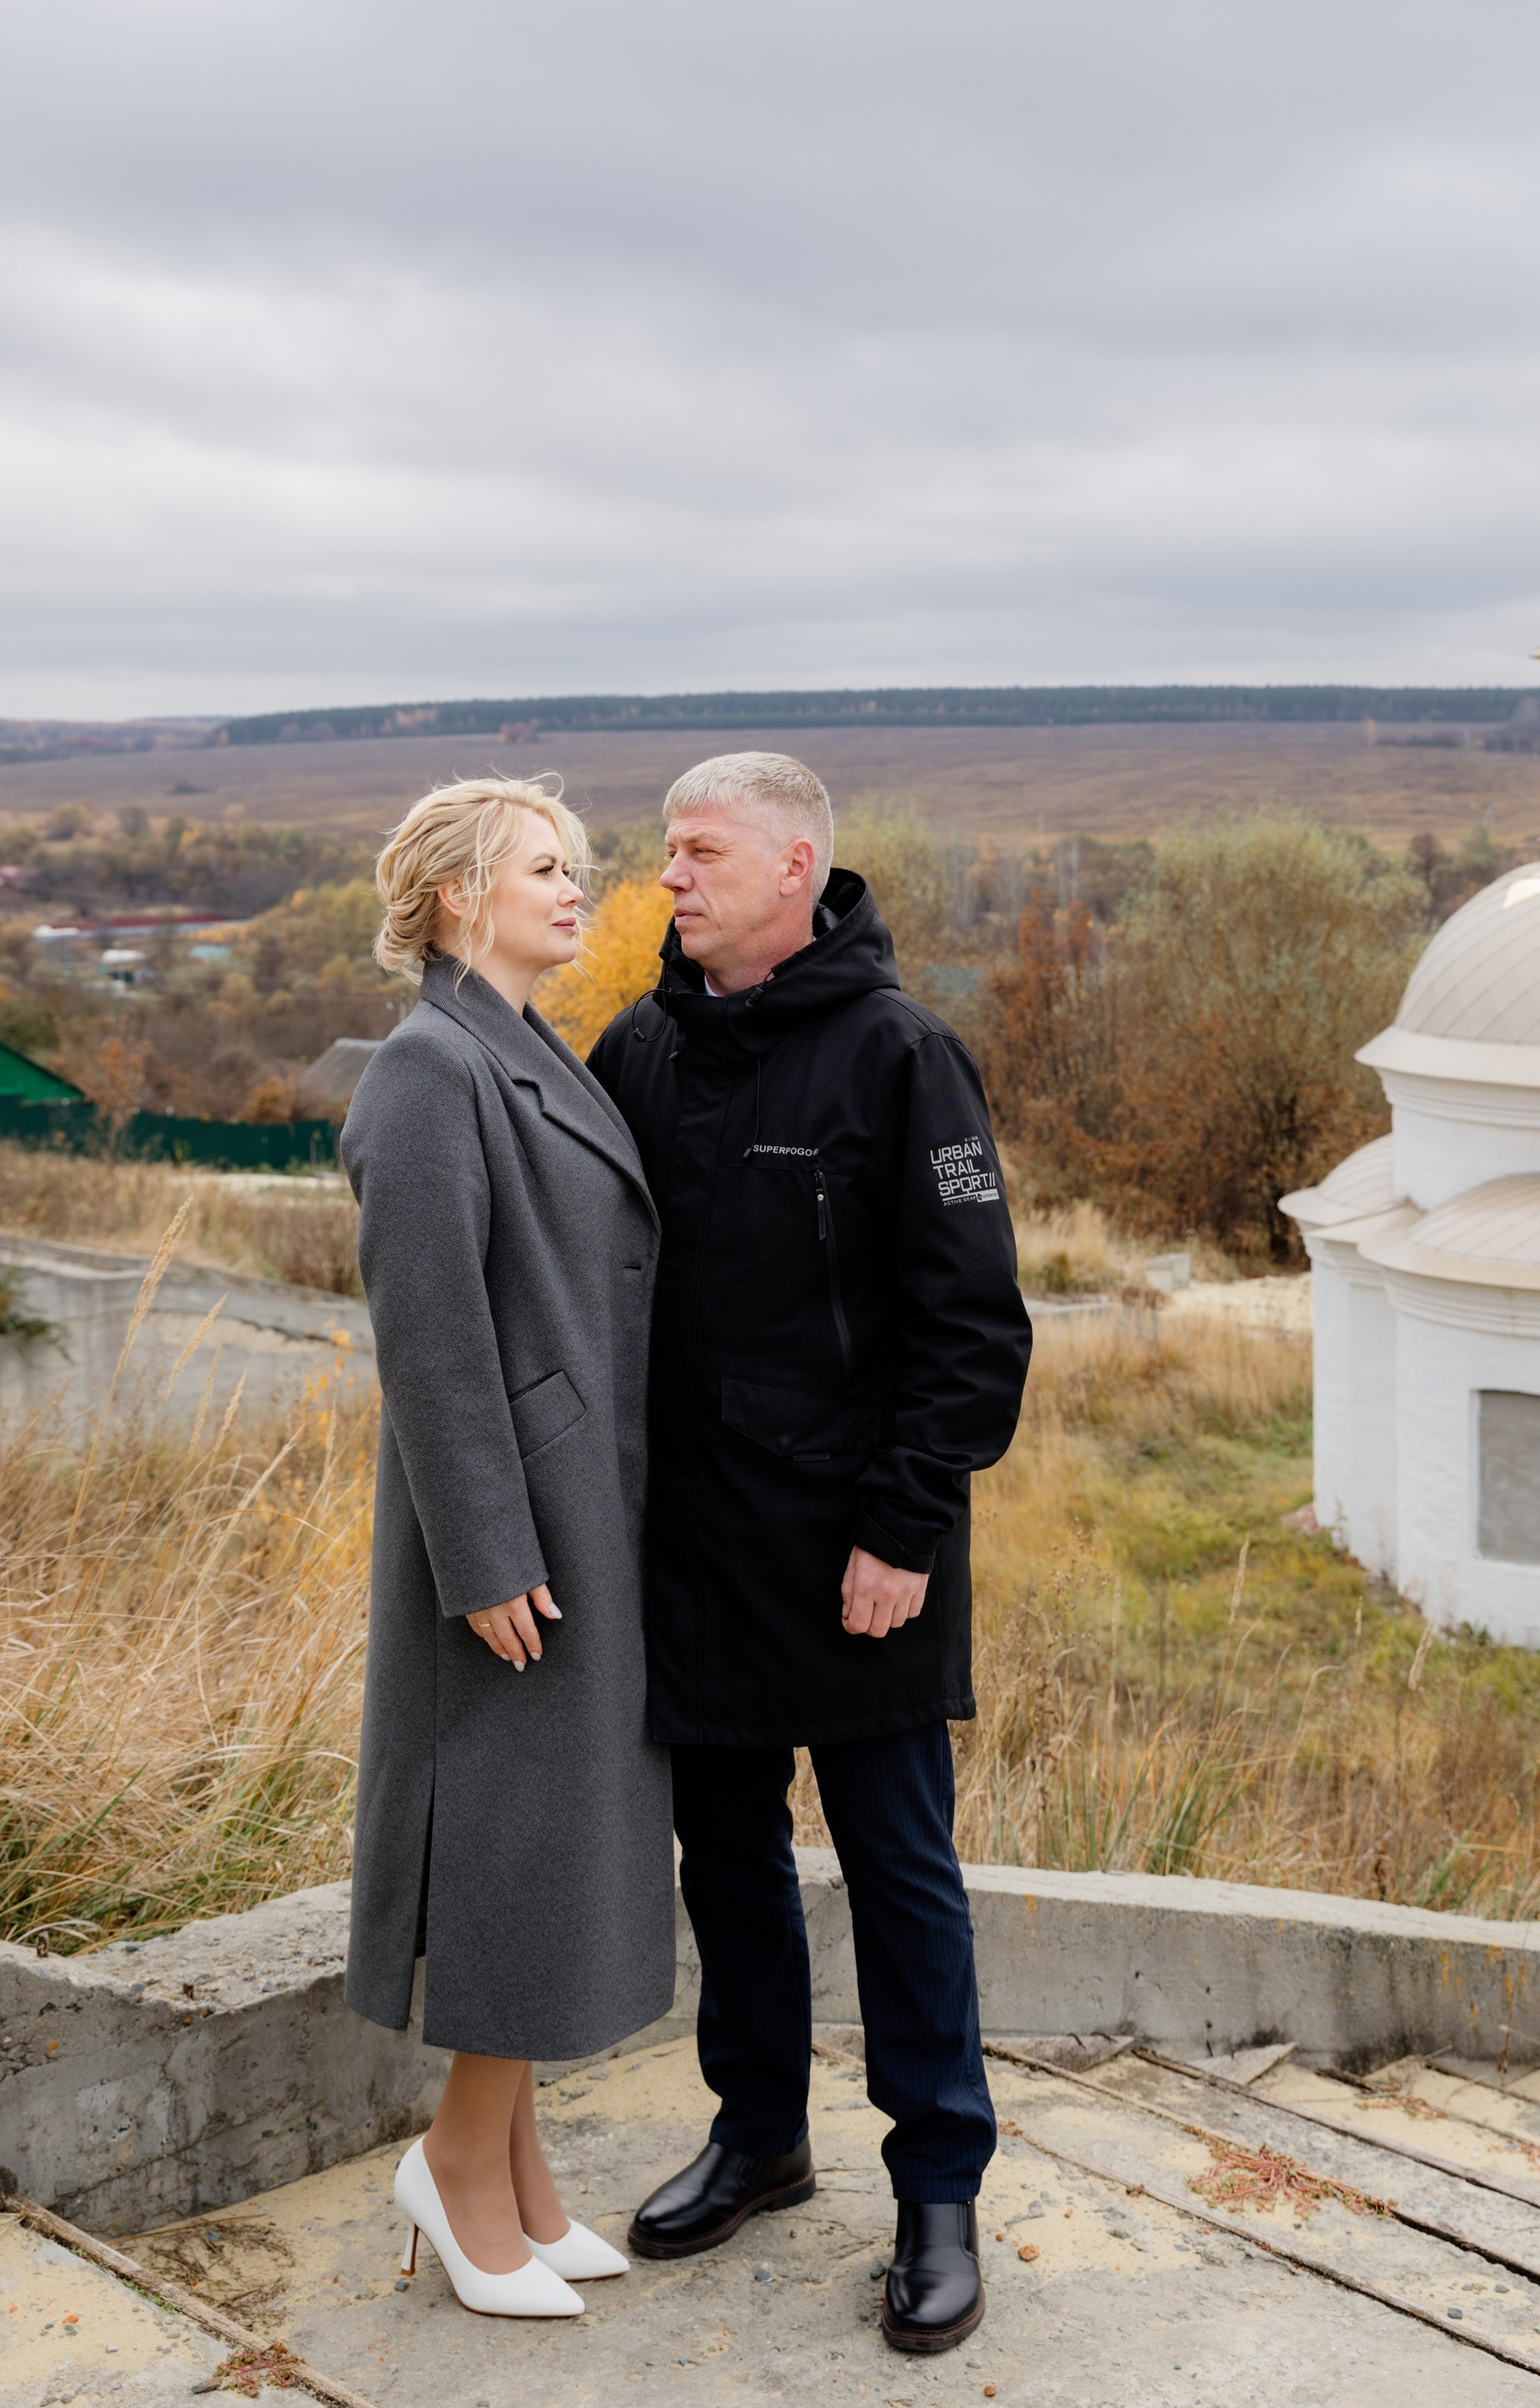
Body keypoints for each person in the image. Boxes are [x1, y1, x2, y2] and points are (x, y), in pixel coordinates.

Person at [589, 751, 1031, 2357]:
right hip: (690, 1555)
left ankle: (936, 2193)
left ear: (793, 868)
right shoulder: (635, 1047)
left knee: (900, 1874)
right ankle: (757, 2133)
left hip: (858, 1559)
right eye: (663, 854)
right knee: (729, 1860)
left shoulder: (903, 1056)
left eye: (698, 853)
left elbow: (972, 1326)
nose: (669, 879)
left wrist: (902, 1528)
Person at [340, 775, 673, 2319]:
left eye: (578, 865)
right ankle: (459, 2173)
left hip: (579, 1519)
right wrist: (481, 1554)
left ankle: (523, 2182)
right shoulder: (424, 1069)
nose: (579, 888)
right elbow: (430, 1335)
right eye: (546, 868)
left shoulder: (521, 1048)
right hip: (513, 1544)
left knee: (554, 1851)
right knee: (514, 1854)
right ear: (464, 897)